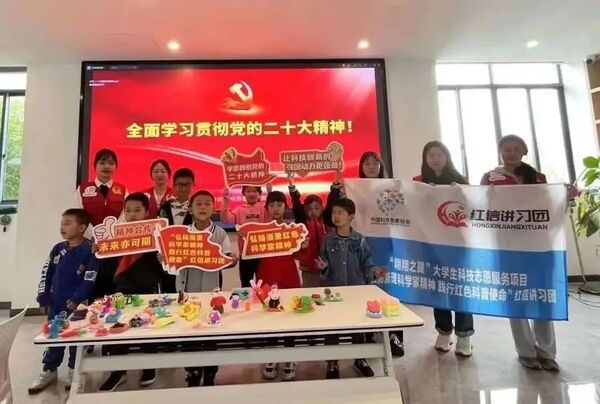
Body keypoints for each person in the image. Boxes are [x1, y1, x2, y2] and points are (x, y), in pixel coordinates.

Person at [481, 134, 558, 372]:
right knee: (517, 297)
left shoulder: (538, 177)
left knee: (543, 297)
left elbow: (549, 206)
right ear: (500, 152)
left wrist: (564, 195)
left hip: (539, 246)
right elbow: (480, 205)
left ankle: (547, 352)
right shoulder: (490, 178)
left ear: (524, 152)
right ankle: (525, 351)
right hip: (508, 246)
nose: (511, 153)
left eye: (516, 149)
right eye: (506, 149)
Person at [331, 151, 405, 358]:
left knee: (389, 290)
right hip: (360, 245)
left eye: (375, 163)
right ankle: (370, 334)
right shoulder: (354, 188)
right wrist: (341, 192)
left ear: (381, 166)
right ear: (361, 167)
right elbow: (339, 211)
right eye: (366, 163)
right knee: (366, 290)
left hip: (387, 245)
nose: (371, 167)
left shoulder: (393, 187)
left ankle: (394, 336)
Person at [315, 198, 387, 379]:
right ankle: (332, 361)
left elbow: (367, 263)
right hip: (333, 293)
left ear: (351, 217)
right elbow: (324, 264)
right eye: (334, 213)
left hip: (356, 291)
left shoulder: (359, 240)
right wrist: (323, 267)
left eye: (340, 213)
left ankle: (360, 359)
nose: (336, 216)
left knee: (358, 326)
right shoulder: (328, 240)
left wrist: (375, 272)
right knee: (332, 327)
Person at [413, 141, 474, 357]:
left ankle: (464, 335)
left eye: (440, 154)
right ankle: (444, 332)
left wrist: (460, 193)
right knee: (437, 288)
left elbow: (473, 209)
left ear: (447, 157)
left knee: (460, 289)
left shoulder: (461, 181)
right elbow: (412, 210)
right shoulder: (418, 182)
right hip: (431, 244)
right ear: (425, 159)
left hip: (457, 244)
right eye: (431, 155)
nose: (435, 159)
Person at [28, 209, 98, 394]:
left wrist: (77, 299)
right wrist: (43, 296)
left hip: (78, 305)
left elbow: (90, 278)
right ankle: (49, 369)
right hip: (56, 302)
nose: (62, 227)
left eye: (67, 223)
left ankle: (75, 371)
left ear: (81, 227)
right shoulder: (57, 249)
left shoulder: (89, 250)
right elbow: (46, 272)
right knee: (54, 337)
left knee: (77, 338)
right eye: (62, 223)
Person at [99, 193, 163, 391]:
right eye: (128, 210)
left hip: (147, 289)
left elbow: (163, 268)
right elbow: (108, 267)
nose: (132, 214)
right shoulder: (115, 235)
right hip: (122, 288)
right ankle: (118, 372)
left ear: (147, 212)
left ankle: (149, 367)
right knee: (119, 329)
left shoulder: (156, 235)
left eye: (137, 210)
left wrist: (163, 257)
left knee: (148, 328)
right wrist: (99, 251)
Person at [176, 190, 238, 387]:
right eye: (198, 204)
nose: (203, 207)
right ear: (191, 209)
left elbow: (228, 258)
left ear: (214, 208)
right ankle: (192, 370)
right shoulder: (181, 233)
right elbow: (172, 258)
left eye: (207, 204)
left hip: (211, 291)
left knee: (211, 330)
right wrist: (164, 258)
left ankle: (210, 371)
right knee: (188, 330)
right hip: (187, 291)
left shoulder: (220, 234)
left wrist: (232, 260)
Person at [258, 190, 307, 382]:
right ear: (267, 209)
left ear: (286, 208)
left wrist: (303, 247)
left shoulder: (293, 230)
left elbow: (299, 256)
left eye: (279, 205)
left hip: (289, 279)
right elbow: (250, 256)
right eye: (271, 205)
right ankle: (271, 357)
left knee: (289, 318)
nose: (275, 209)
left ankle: (289, 358)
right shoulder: (259, 231)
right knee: (269, 319)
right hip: (267, 280)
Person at [77, 148, 126, 298]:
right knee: (92, 288)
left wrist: (110, 235)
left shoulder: (122, 189)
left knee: (113, 288)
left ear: (115, 166)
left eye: (111, 163)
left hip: (114, 247)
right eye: (102, 162)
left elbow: (126, 215)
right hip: (91, 246)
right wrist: (95, 236)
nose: (106, 166)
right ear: (95, 165)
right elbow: (78, 215)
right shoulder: (83, 189)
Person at [221, 185, 270, 287]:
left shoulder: (264, 208)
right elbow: (225, 219)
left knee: (265, 284)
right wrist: (226, 200)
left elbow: (274, 213)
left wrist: (270, 191)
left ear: (260, 193)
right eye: (248, 191)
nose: (251, 194)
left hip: (263, 253)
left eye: (254, 191)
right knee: (246, 285)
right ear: (243, 194)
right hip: (245, 254)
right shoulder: (239, 210)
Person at [287, 173, 328, 287]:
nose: (313, 211)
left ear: (322, 208)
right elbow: (296, 200)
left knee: (326, 291)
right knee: (309, 291)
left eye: (316, 208)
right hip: (307, 266)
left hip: (325, 265)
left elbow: (333, 199)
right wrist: (291, 184)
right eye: (309, 209)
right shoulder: (302, 221)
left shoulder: (325, 220)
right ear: (304, 210)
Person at [158, 168, 194, 292]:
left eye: (187, 184)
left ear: (193, 185)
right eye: (180, 184)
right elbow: (158, 232)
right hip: (169, 259)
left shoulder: (197, 206)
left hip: (190, 258)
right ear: (173, 186)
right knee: (169, 294)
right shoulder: (164, 207)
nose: (183, 188)